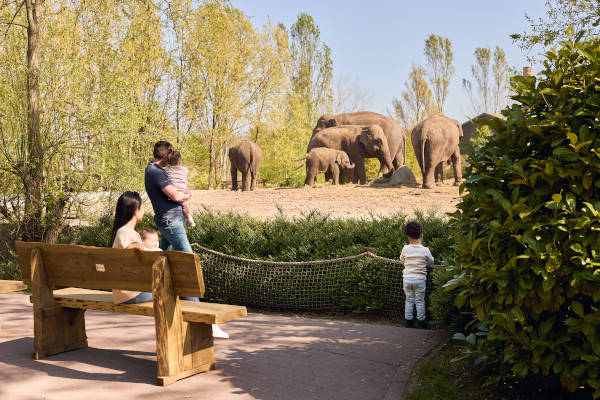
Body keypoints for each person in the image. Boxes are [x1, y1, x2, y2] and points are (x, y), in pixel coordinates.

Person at [145, 141, 229, 339]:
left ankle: (171, 306)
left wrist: (184, 194)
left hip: (168, 222)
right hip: (172, 223)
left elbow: (178, 193)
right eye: (171, 155)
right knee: (189, 264)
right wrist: (186, 195)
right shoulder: (156, 172)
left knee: (164, 262)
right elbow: (176, 195)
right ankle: (202, 320)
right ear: (165, 156)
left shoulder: (153, 170)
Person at [110, 191, 152, 304]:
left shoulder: (121, 232)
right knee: (169, 291)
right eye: (142, 207)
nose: (144, 211)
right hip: (130, 294)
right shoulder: (128, 234)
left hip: (122, 293)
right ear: (135, 211)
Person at [400, 221, 434, 329]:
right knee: (419, 300)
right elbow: (431, 262)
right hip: (419, 280)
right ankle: (421, 322)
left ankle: (408, 322)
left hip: (407, 279)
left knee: (409, 299)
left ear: (408, 237)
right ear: (422, 235)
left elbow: (402, 259)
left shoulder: (405, 248)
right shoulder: (425, 250)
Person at [165, 150, 195, 227]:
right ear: (180, 161)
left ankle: (189, 218)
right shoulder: (184, 169)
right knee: (184, 204)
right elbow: (186, 168)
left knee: (183, 204)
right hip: (182, 190)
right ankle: (189, 218)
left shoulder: (166, 170)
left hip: (172, 190)